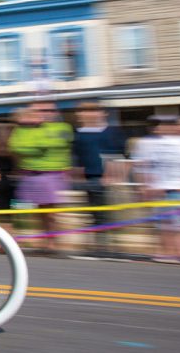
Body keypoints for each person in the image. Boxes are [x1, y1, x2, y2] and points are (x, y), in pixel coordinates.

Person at [132, 115, 180, 264]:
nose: (167, 128)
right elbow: (141, 166)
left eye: (171, 124)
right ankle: (170, 253)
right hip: (161, 190)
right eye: (162, 125)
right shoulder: (147, 143)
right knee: (166, 225)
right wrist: (145, 186)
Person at [8, 100, 73, 253]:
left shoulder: (64, 128)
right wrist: (37, 144)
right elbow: (16, 146)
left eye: (48, 110)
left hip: (51, 173)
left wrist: (33, 144)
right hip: (30, 174)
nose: (43, 113)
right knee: (37, 211)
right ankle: (44, 240)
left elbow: (56, 143)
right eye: (39, 110)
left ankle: (53, 241)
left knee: (51, 213)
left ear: (55, 112)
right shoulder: (22, 128)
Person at [72, 102, 127, 256]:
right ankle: (98, 245)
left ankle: (112, 245)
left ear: (103, 113)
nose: (89, 114)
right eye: (85, 111)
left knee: (110, 213)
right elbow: (77, 157)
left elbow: (118, 154)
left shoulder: (111, 132)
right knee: (93, 213)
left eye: (94, 111)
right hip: (89, 178)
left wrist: (112, 176)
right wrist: (78, 176)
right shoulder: (79, 133)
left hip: (109, 178)